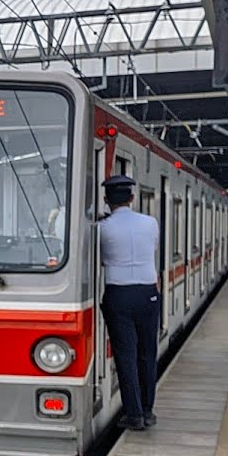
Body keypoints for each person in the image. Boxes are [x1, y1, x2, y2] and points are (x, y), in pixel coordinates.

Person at [99, 175, 161, 431]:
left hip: (119, 294)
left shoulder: (102, 228)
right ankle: (148, 410)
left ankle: (133, 414)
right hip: (149, 293)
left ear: (106, 200)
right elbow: (152, 249)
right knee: (148, 354)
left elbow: (101, 259)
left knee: (126, 356)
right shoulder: (150, 223)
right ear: (132, 198)